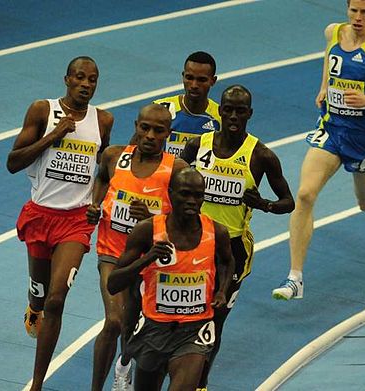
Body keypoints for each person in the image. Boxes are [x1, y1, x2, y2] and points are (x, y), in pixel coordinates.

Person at [272, 0, 365, 300]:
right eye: (354, 10)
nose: (358, 18)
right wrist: (325, 87)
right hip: (331, 129)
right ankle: (295, 277)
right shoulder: (333, 33)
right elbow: (330, 62)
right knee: (304, 194)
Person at [6, 56, 113, 391]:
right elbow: (13, 162)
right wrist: (54, 135)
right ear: (66, 79)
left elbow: (104, 172)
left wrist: (97, 202)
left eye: (92, 80)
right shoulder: (42, 110)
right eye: (79, 78)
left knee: (56, 299)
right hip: (41, 215)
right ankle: (32, 305)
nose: (86, 84)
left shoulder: (103, 120)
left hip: (76, 222)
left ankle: (37, 383)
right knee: (40, 297)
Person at [181, 84, 295, 389]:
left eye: (239, 110)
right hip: (193, 241)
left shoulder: (261, 155)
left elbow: (288, 201)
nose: (232, 116)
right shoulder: (196, 146)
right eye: (227, 109)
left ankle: (200, 383)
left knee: (213, 320)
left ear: (250, 114)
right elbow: (173, 184)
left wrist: (264, 205)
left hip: (232, 250)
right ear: (220, 111)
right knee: (183, 310)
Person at [86, 104, 188, 391]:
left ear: (168, 133)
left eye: (158, 130)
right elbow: (102, 181)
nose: (150, 135)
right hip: (111, 252)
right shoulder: (114, 156)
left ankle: (124, 363)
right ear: (136, 125)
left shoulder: (177, 170)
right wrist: (95, 205)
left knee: (134, 326)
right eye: (145, 128)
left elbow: (185, 221)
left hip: (149, 261)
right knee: (115, 320)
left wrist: (153, 221)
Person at [106, 168, 235, 391]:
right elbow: (114, 283)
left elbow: (227, 261)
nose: (192, 201)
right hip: (154, 328)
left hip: (194, 330)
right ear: (170, 193)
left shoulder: (217, 232)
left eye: (198, 195)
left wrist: (222, 290)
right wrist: (146, 259)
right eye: (185, 194)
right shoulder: (147, 231)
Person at [153, 51, 220, 157]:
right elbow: (136, 151)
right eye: (189, 78)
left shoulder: (221, 117)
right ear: (183, 76)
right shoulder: (160, 109)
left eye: (201, 80)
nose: (194, 85)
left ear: (213, 81)